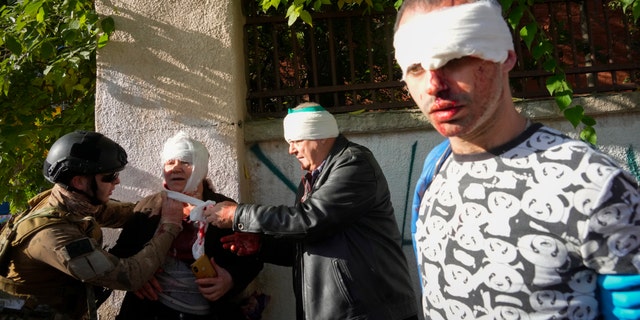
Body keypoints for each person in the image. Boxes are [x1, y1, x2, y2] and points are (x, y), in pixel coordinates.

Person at [393, 0, 640, 319]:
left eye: (454, 59)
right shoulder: (434, 169)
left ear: (505, 56)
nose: (433, 85)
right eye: (415, 68)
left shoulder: (597, 184)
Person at [205, 102, 418, 320]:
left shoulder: (354, 163)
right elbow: (307, 242)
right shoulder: (312, 179)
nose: (291, 149)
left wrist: (238, 215)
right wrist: (262, 246)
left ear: (321, 136)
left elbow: (310, 219)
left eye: (296, 141)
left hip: (370, 312)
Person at [0, 130, 184, 319]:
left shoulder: (70, 201)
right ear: (79, 181)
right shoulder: (54, 236)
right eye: (110, 176)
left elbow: (130, 214)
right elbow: (131, 276)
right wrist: (170, 225)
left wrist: (173, 196)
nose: (117, 181)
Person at [109, 131, 264, 320]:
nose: (176, 169)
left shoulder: (225, 210)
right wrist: (136, 278)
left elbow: (253, 259)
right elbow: (120, 254)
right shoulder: (148, 207)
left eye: (186, 162)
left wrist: (230, 280)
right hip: (150, 312)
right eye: (170, 162)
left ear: (201, 168)